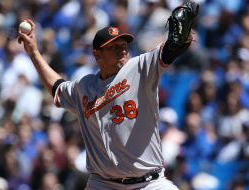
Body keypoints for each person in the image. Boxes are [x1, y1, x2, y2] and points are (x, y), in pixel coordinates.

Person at [18, 2, 199, 190]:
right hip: (103, 184)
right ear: (97, 55)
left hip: (149, 183)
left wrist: (179, 38)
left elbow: (170, 50)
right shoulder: (85, 87)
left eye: (124, 44)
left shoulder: (140, 67)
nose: (122, 49)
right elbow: (57, 87)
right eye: (113, 47)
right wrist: (33, 53)